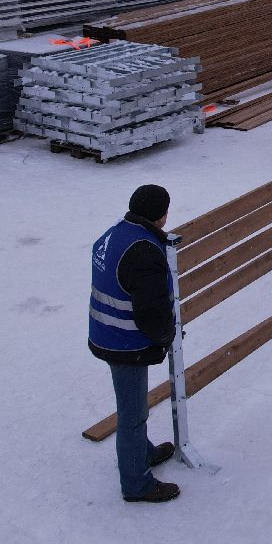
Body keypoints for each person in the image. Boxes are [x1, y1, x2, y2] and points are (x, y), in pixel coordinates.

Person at [88, 184, 180, 504]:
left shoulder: (117, 233)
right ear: (161, 216)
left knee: (134, 404)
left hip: (107, 332)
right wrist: (167, 336)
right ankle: (136, 483)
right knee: (132, 413)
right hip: (124, 342)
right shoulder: (144, 254)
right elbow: (151, 313)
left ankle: (144, 452)